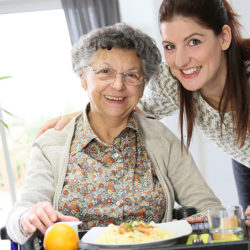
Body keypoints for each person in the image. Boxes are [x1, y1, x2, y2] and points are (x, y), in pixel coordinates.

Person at [6, 23, 223, 245]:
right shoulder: (52, 144)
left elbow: (211, 210)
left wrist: (174, 231)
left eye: (132, 75)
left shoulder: (162, 140)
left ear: (143, 84)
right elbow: (17, 220)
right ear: (83, 78)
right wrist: (28, 217)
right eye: (105, 72)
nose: (118, 85)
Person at [38, 0, 250, 216]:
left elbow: (208, 207)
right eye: (170, 46)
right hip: (243, 157)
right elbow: (138, 107)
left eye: (194, 42)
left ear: (224, 37)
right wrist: (89, 112)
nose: (181, 60)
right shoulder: (173, 80)